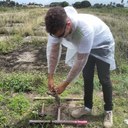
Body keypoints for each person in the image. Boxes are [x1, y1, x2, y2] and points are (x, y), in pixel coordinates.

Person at [45, 6, 116, 128]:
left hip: (102, 44)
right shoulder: (55, 28)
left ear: (68, 24)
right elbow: (53, 53)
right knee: (87, 77)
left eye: (61, 35)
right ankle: (87, 107)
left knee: (104, 78)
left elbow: (80, 60)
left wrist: (65, 83)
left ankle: (108, 110)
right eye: (56, 36)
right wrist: (50, 76)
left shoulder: (84, 29)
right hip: (86, 43)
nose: (59, 38)